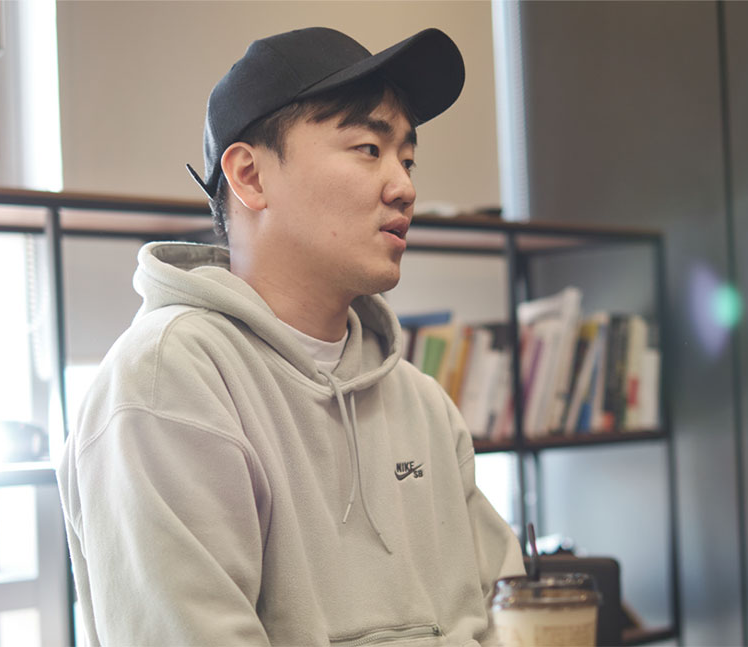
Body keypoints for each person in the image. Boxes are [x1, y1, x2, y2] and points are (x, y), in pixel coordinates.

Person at [58, 26, 525, 646]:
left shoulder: (421, 402)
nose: (405, 187)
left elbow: (511, 614)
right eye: (368, 148)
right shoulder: (166, 383)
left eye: (408, 159)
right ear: (250, 176)